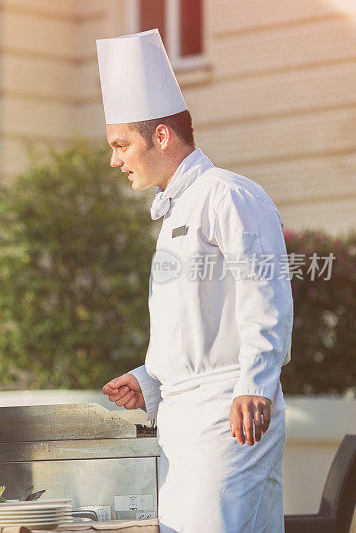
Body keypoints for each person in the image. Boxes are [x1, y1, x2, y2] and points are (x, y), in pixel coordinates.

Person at [96, 30, 293, 532]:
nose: (115, 160)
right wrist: (148, 379)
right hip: (184, 424)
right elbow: (192, 322)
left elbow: (265, 291)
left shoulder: (227, 194)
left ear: (160, 136)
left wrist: (256, 384)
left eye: (121, 145)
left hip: (232, 413)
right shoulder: (177, 210)